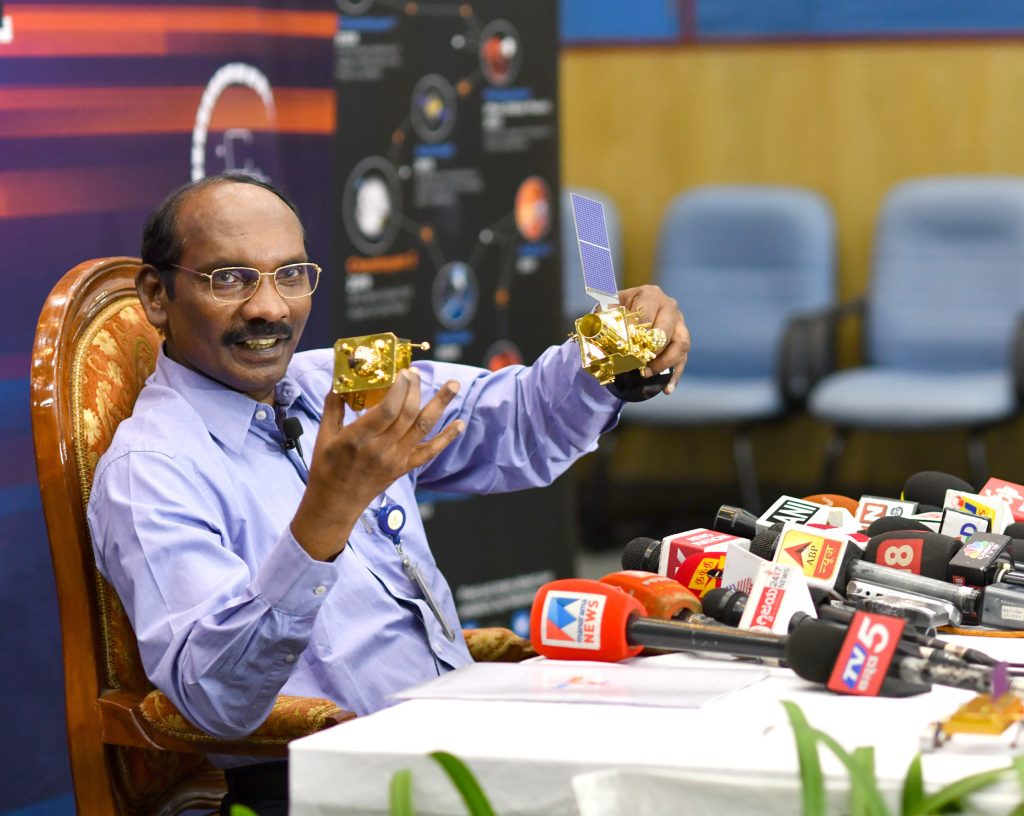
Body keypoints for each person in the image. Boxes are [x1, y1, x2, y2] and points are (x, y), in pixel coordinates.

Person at [87, 173, 690, 814]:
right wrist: (323, 520)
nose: (269, 308)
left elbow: (519, 420)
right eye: (229, 279)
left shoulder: (339, 380)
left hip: (465, 739)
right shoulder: (148, 471)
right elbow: (216, 697)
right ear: (157, 295)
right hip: (329, 782)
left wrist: (616, 348)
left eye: (290, 274)